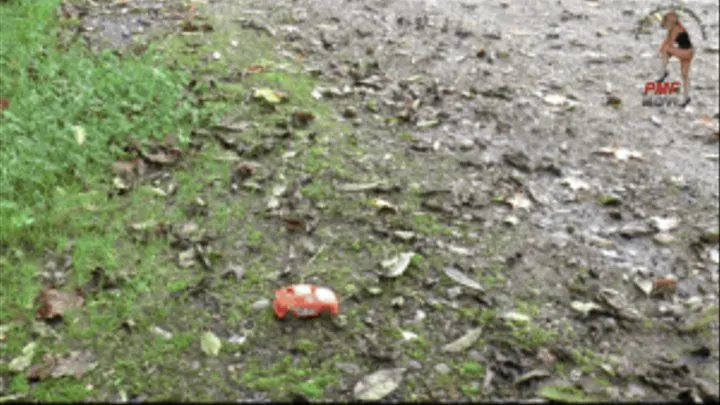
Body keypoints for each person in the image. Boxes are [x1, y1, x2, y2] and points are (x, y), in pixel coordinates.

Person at [657, 11, 694, 107]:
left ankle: (663, 73)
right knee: (685, 75)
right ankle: (686, 97)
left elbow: (669, 43)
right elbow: (667, 40)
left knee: (666, 49)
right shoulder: (676, 28)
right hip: (689, 52)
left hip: (684, 53)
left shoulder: (676, 29)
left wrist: (663, 52)